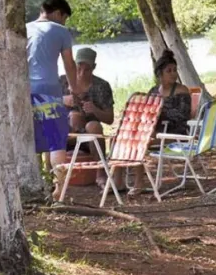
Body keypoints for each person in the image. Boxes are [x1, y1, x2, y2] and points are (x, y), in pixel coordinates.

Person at [116, 50, 192, 195]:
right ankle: (118, 180)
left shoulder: (182, 91)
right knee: (124, 139)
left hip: (176, 134)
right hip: (155, 132)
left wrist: (160, 110)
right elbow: (147, 113)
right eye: (169, 71)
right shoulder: (153, 91)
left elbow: (183, 115)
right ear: (160, 74)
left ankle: (139, 182)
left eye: (175, 70)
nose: (173, 73)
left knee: (141, 142)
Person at [26, 0, 85, 185]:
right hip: (49, 89)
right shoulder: (60, 30)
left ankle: (36, 185)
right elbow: (69, 63)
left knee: (31, 138)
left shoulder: (25, 28)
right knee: (56, 139)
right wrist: (74, 90)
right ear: (59, 13)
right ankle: (59, 190)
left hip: (24, 89)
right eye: (65, 17)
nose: (64, 21)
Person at [60, 47, 115, 188]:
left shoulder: (101, 86)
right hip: (67, 133)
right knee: (74, 116)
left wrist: (95, 110)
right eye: (79, 68)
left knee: (93, 125)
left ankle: (100, 172)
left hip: (90, 137)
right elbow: (44, 103)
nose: (82, 73)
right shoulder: (62, 82)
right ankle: (54, 174)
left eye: (87, 69)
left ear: (94, 68)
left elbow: (110, 119)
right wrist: (62, 100)